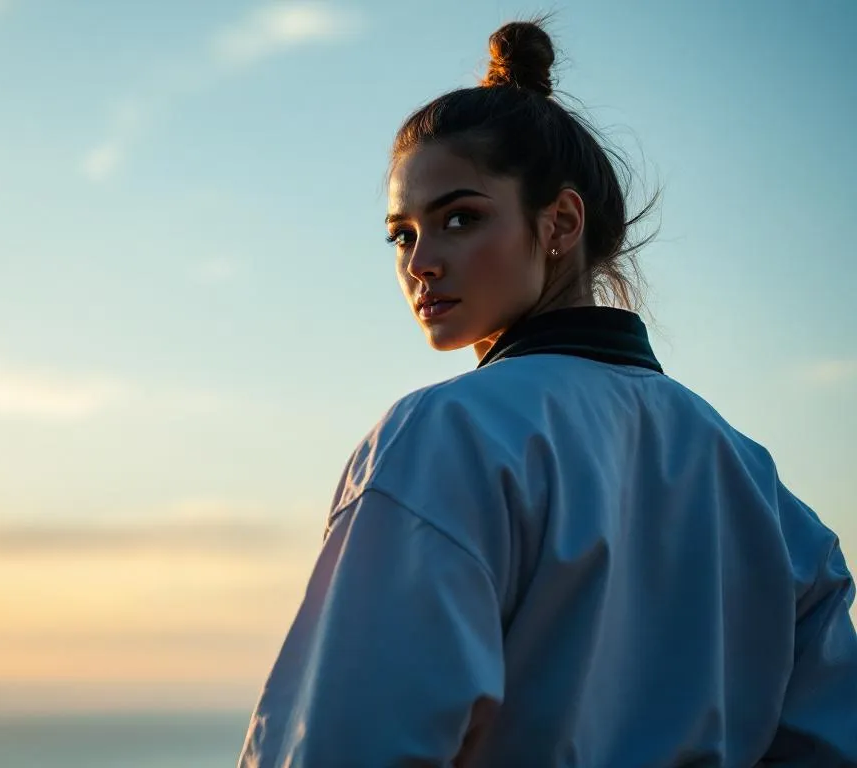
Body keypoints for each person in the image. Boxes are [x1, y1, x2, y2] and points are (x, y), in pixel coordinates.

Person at [237, 18, 857, 768]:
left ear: (560, 221)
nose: (421, 262)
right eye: (402, 234)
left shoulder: (446, 436)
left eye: (460, 218)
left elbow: (348, 743)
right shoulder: (759, 487)